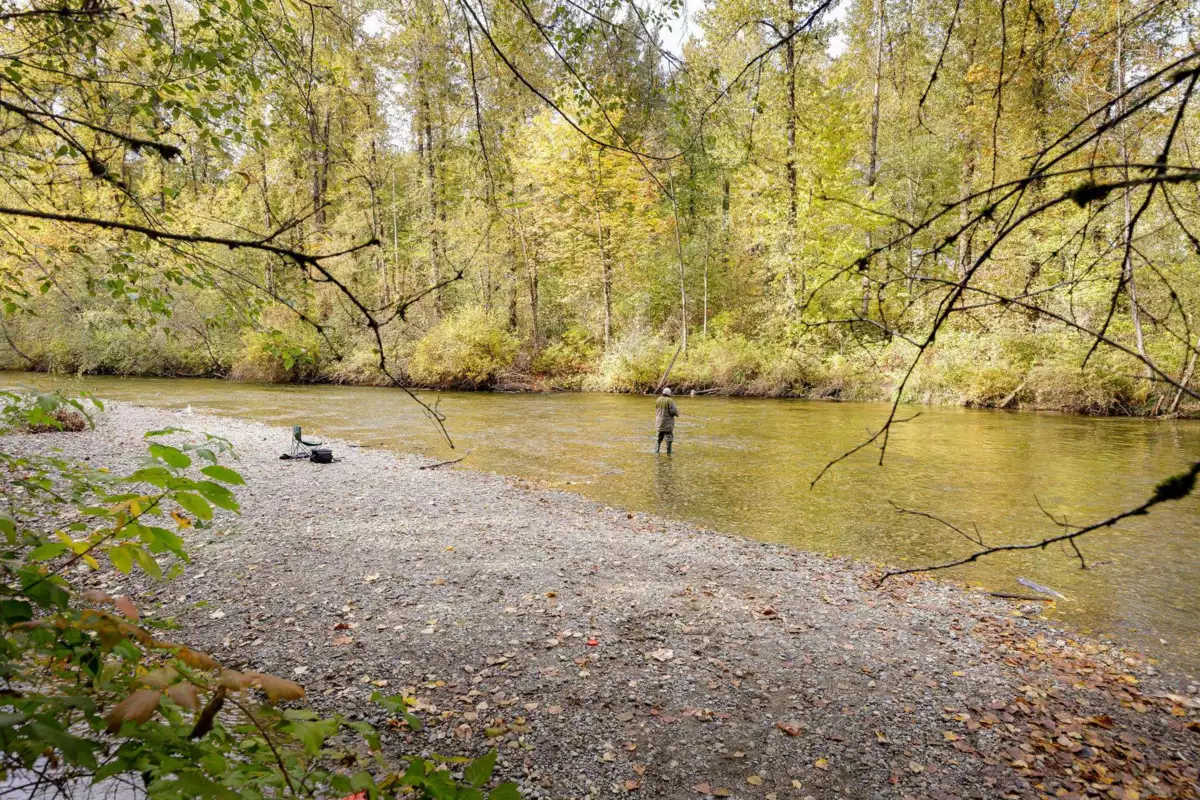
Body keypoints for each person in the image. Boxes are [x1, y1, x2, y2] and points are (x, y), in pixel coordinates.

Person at [654, 387, 680, 454]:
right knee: (669, 440)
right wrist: (677, 414)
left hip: (658, 424)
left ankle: (656, 452)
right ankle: (669, 454)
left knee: (658, 439)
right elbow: (674, 411)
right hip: (667, 425)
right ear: (669, 393)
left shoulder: (658, 400)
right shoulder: (670, 401)